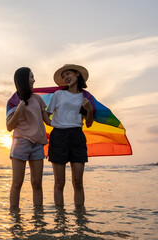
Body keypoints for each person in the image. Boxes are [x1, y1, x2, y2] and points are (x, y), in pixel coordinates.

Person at [46, 64, 93, 207]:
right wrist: (54, 124)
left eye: (68, 74)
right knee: (60, 183)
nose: (66, 77)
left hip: (77, 136)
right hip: (59, 136)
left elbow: (89, 123)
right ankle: (61, 221)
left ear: (77, 74)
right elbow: (47, 114)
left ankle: (80, 221)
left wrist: (89, 110)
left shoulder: (85, 97)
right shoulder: (58, 94)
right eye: (63, 76)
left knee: (78, 182)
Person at [6, 67, 51, 211]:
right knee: (17, 183)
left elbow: (48, 121)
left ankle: (38, 218)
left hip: (38, 144)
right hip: (21, 143)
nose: (34, 80)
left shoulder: (37, 99)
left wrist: (71, 116)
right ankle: (15, 217)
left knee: (37, 183)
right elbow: (9, 127)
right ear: (24, 80)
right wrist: (18, 110)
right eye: (32, 77)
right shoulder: (13, 101)